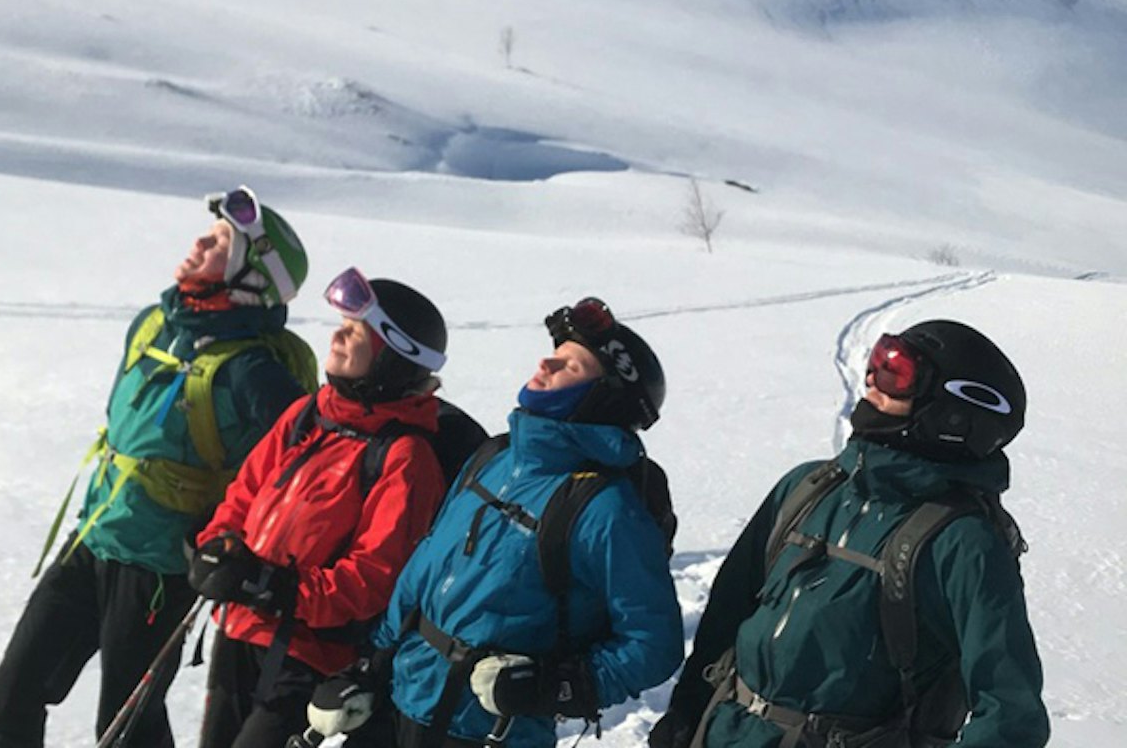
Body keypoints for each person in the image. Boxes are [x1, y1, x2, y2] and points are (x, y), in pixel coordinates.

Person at [0, 186, 316, 748]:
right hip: (94, 538)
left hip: (161, 571)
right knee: (12, 690)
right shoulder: (152, 325)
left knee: (125, 727)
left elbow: (301, 476)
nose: (198, 243)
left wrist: (237, 546)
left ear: (249, 276)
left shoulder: (254, 374)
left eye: (218, 243)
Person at [649, 319, 1049, 748]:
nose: (874, 379)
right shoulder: (808, 489)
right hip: (726, 732)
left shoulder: (962, 542)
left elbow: (1012, 714)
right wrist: (687, 712)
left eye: (897, 372)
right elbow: (726, 616)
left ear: (951, 414)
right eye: (876, 362)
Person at [306, 297, 683, 748]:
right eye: (554, 352)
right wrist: (371, 665)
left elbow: (653, 643)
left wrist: (554, 686)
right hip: (400, 704)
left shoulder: (606, 509)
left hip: (489, 733)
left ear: (601, 399)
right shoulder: (495, 457)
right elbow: (424, 570)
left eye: (571, 364)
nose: (546, 361)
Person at [189, 267, 453, 748]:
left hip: (305, 655)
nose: (337, 335)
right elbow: (244, 494)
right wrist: (219, 545)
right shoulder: (308, 414)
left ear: (393, 357)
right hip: (240, 629)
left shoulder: (405, 458)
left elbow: (374, 579)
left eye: (355, 331)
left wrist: (276, 587)